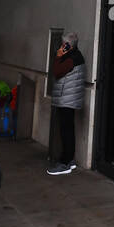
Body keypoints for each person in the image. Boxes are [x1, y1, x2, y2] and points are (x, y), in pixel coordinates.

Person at [45, 33, 85, 176]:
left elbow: (56, 71)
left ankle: (65, 162)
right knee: (67, 128)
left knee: (66, 129)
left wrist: (58, 55)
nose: (62, 46)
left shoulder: (72, 58)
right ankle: (69, 160)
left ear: (69, 45)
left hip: (67, 99)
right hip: (68, 98)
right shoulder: (76, 55)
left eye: (64, 44)